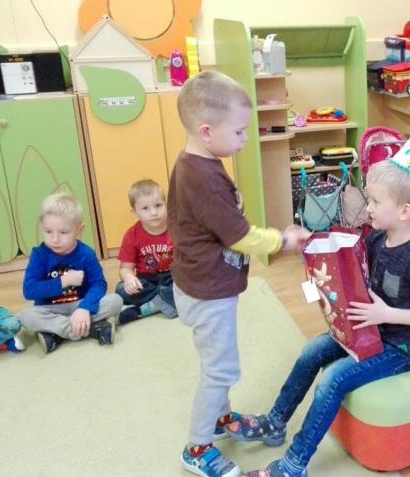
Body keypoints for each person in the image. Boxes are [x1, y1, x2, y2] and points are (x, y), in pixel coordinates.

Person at [230, 110, 410, 477]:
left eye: (375, 202)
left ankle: (293, 466)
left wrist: (385, 314)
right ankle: (276, 421)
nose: (368, 207)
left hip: (402, 346)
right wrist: (312, 248)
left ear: (405, 211)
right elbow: (348, 256)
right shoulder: (378, 237)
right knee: (311, 352)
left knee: (332, 380)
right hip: (368, 329)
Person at [170, 71, 311, 477]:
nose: (245, 138)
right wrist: (282, 239)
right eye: (238, 131)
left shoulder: (197, 162)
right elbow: (240, 235)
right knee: (220, 369)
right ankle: (197, 447)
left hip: (203, 282)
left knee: (217, 361)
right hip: (206, 290)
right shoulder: (203, 177)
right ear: (206, 131)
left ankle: (220, 418)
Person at [19, 192, 123, 353]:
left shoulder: (86, 254)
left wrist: (84, 308)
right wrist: (64, 281)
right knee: (26, 317)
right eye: (48, 231)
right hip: (51, 308)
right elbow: (29, 290)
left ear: (79, 230)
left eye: (63, 232)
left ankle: (56, 334)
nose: (55, 239)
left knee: (115, 301)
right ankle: (90, 328)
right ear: (42, 227)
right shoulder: (39, 255)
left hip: (80, 303)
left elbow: (99, 284)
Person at [115, 179, 177, 324]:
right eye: (145, 208)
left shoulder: (176, 228)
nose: (154, 213)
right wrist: (129, 279)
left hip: (173, 276)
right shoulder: (131, 235)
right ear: (134, 212)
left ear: (166, 204)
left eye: (158, 205)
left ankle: (143, 309)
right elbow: (125, 269)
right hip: (146, 280)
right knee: (120, 290)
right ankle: (166, 299)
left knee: (192, 284)